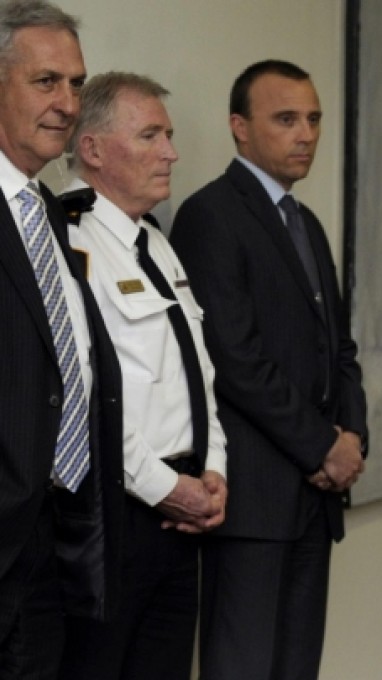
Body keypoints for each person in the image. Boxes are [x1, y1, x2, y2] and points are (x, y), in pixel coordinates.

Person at [170, 59, 368, 680]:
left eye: (313, 119)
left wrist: (353, 437)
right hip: (254, 501)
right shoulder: (211, 216)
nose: (306, 134)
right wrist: (321, 446)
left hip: (314, 499)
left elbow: (339, 349)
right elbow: (235, 359)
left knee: (296, 668)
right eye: (286, 119)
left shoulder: (305, 223)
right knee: (243, 666)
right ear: (240, 127)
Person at [56, 72, 229, 680]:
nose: (172, 152)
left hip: (183, 513)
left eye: (170, 135)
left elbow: (197, 372)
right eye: (151, 134)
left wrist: (213, 471)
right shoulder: (66, 241)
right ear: (94, 149)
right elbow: (78, 400)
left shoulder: (155, 242)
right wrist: (163, 486)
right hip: (118, 511)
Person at [0, 2, 124, 678]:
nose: (68, 102)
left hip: (56, 546)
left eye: (77, 83)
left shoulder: (46, 207)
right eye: (46, 82)